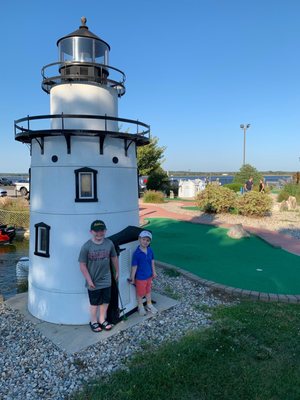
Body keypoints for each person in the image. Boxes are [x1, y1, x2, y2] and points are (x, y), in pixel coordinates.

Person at [78, 220, 119, 333]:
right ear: (91, 231)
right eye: (96, 231)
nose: (99, 233)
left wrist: (117, 271)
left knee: (106, 301)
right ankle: (93, 321)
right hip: (93, 280)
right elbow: (82, 265)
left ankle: (102, 319)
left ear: (105, 231)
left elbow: (114, 257)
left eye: (102, 230)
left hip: (106, 278)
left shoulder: (109, 243)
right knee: (94, 303)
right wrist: (89, 279)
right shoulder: (86, 246)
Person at [129, 230, 158, 316]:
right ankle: (140, 306)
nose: (145, 242)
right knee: (140, 293)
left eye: (148, 240)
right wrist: (132, 278)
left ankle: (149, 304)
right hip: (141, 278)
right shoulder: (136, 254)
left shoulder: (150, 250)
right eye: (144, 239)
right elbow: (134, 267)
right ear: (139, 239)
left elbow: (152, 261)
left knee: (148, 291)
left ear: (150, 242)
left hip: (149, 276)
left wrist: (154, 272)